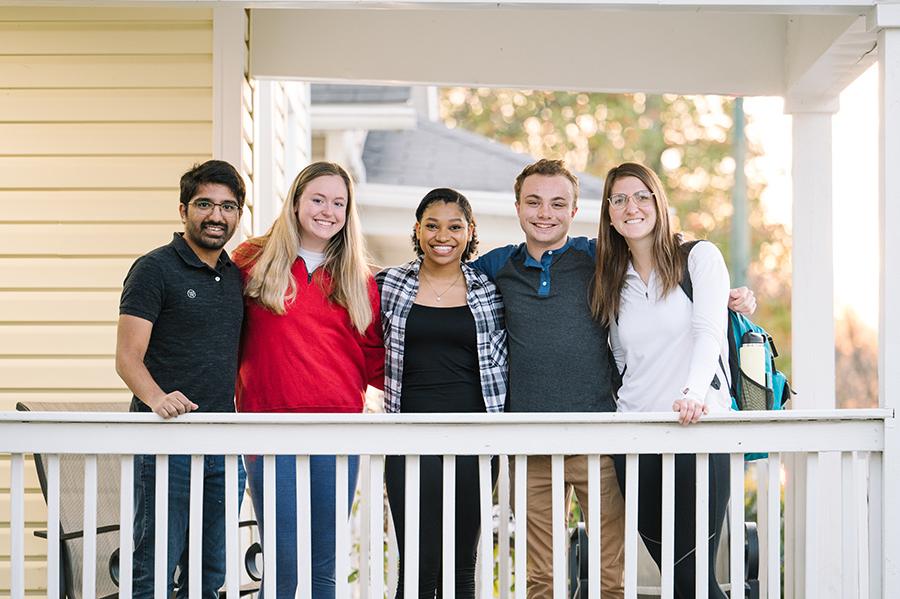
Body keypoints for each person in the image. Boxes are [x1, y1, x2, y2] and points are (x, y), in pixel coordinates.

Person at [470, 159, 755, 598]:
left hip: (635, 437)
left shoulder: (624, 260)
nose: (546, 212)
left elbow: (703, 327)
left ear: (575, 210)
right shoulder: (518, 267)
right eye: (534, 202)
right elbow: (622, 355)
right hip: (581, 439)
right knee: (545, 579)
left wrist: (730, 302)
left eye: (558, 203)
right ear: (518, 206)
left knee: (648, 579)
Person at [232, 161, 384, 599]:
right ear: (296, 201)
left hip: (337, 435)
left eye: (339, 203)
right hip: (269, 431)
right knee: (281, 569)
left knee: (324, 571)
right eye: (318, 199)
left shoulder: (359, 278)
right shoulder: (251, 262)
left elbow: (376, 361)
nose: (327, 211)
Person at [592, 162, 732, 598]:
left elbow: (708, 331)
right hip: (635, 442)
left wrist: (692, 394)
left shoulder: (700, 258)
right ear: (610, 214)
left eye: (641, 196)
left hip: (696, 432)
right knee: (678, 580)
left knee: (693, 580)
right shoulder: (611, 281)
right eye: (619, 200)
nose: (631, 207)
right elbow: (620, 358)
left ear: (658, 202)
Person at [115, 159, 248, 598]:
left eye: (228, 207)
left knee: (209, 576)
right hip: (164, 445)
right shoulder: (154, 269)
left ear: (238, 214)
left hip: (222, 447)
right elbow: (127, 358)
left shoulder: (235, 277)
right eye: (204, 204)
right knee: (152, 571)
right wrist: (156, 398)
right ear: (183, 209)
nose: (216, 216)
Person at [377, 188, 507, 598]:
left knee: (459, 570)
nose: (442, 235)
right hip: (409, 442)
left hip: (473, 441)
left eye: (455, 226)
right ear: (417, 230)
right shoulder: (389, 284)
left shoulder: (490, 290)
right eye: (431, 225)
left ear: (470, 232)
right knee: (417, 568)